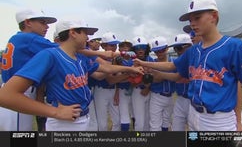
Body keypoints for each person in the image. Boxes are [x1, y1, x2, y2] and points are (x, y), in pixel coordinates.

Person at [134, 0, 242, 131]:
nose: (192, 23)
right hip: (193, 114)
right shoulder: (193, 50)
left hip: (218, 121)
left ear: (214, 16)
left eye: (197, 18)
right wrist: (143, 63)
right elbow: (172, 66)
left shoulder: (234, 46)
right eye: (190, 20)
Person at [0, 17, 144, 131]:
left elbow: (104, 69)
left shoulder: (79, 56)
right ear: (73, 33)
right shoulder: (49, 55)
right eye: (85, 33)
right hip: (63, 123)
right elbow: (5, 95)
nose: (88, 38)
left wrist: (131, 70)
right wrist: (55, 112)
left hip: (83, 119)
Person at [148, 36, 175, 131]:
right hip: (156, 96)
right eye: (156, 51)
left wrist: (160, 75)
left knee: (166, 122)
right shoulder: (152, 63)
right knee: (155, 124)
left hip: (170, 96)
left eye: (162, 50)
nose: (159, 53)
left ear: (167, 48)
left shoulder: (174, 61)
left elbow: (178, 77)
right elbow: (154, 79)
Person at [130, 36, 153, 131]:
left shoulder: (150, 59)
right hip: (137, 92)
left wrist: (148, 88)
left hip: (151, 91)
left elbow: (155, 76)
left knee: (148, 120)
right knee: (140, 122)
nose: (140, 50)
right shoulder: (131, 61)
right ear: (134, 50)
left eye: (143, 47)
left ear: (146, 48)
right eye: (137, 48)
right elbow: (131, 80)